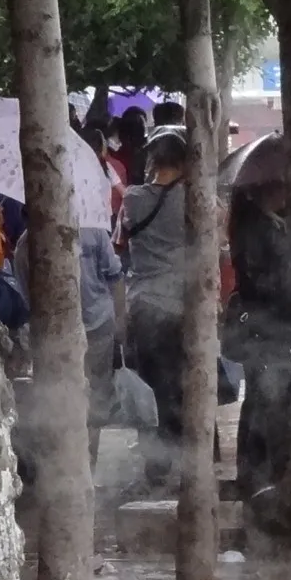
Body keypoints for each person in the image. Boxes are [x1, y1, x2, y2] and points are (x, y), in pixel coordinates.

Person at [226, 174, 291, 518]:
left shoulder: (269, 225)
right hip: (266, 329)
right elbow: (268, 283)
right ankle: (260, 476)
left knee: (262, 400)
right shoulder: (256, 231)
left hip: (269, 329)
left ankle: (255, 474)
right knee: (267, 401)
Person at [12, 218, 124, 462]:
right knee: (94, 398)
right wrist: (121, 321)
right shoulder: (95, 231)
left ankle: (65, 464)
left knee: (59, 399)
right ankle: (87, 465)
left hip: (53, 335)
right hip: (97, 326)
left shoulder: (25, 242)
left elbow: (24, 294)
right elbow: (115, 277)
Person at [121, 128, 189, 481]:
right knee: (179, 385)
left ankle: (155, 465)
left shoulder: (132, 197)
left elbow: (121, 241)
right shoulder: (191, 199)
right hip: (181, 307)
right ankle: (181, 461)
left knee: (150, 389)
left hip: (143, 305)